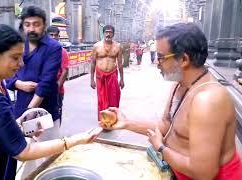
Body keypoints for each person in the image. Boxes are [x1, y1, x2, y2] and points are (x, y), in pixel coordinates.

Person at [0, 24, 100, 180]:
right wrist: (73, 141)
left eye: (22, 57)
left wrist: (19, 126)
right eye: (15, 58)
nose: (21, 64)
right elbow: (23, 151)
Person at [100, 23, 242, 180]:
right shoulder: (180, 84)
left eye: (161, 57)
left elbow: (204, 173)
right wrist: (126, 123)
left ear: (184, 59)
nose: (156, 62)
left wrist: (161, 148)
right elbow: (166, 126)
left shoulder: (207, 101)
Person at [6, 6, 62, 140]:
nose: (31, 29)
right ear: (22, 26)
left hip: (44, 111)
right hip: (20, 108)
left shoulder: (53, 47)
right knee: (23, 156)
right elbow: (6, 72)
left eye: (36, 24)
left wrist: (29, 112)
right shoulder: (16, 45)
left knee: (47, 154)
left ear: (44, 25)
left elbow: (46, 83)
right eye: (27, 24)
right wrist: (19, 84)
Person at [90, 25, 124, 121]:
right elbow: (93, 63)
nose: (108, 34)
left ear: (113, 34)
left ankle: (112, 118)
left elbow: (120, 64)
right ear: (103, 33)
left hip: (112, 74)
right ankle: (103, 119)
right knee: (101, 99)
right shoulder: (96, 46)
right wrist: (92, 79)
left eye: (110, 32)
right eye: (106, 32)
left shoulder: (118, 46)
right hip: (100, 76)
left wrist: (122, 79)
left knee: (114, 97)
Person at [46, 25, 69, 123]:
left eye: (56, 35)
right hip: (43, 90)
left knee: (56, 116)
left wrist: (57, 88)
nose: (54, 37)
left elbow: (65, 71)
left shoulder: (62, 52)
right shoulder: (42, 51)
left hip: (57, 91)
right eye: (51, 35)